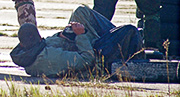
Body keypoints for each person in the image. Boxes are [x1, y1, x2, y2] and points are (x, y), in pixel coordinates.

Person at [10, 5, 143, 77]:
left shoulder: (29, 52)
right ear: (38, 37)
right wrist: (80, 35)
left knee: (81, 12)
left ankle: (112, 35)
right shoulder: (50, 58)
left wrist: (62, 36)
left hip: (79, 48)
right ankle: (138, 53)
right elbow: (87, 59)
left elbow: (49, 44)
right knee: (130, 31)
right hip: (97, 58)